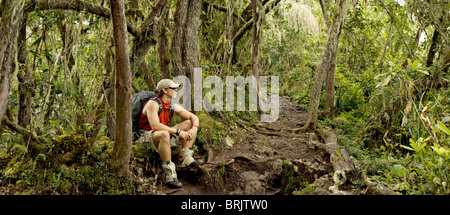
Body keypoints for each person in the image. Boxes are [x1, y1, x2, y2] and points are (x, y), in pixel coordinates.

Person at [137, 79, 202, 189]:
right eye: (173, 88)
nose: (176, 90)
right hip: (145, 136)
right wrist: (179, 132)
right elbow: (155, 126)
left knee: (189, 123)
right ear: (165, 90)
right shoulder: (153, 104)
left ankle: (186, 159)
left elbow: (193, 117)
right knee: (164, 134)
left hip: (162, 134)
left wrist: (194, 129)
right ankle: (169, 174)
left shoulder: (172, 106)